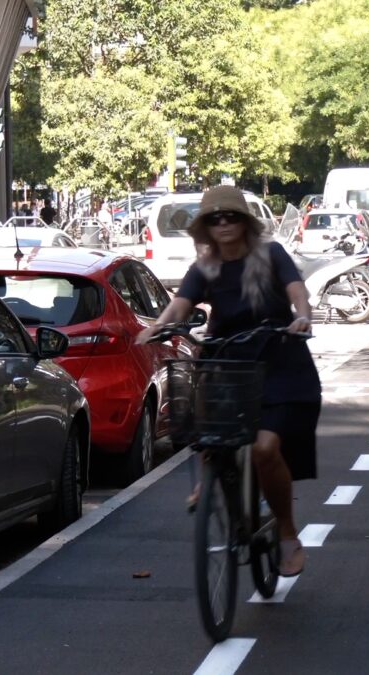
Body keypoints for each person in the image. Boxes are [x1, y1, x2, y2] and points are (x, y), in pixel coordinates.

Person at [137, 186, 319, 578]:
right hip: (230, 361)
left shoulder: (271, 255)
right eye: (215, 218)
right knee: (208, 418)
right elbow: (180, 304)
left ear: (245, 223)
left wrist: (302, 316)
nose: (223, 224)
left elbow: (296, 290)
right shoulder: (204, 267)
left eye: (231, 216)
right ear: (205, 227)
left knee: (265, 448)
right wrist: (157, 327)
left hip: (278, 358)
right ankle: (211, 477)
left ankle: (287, 534)